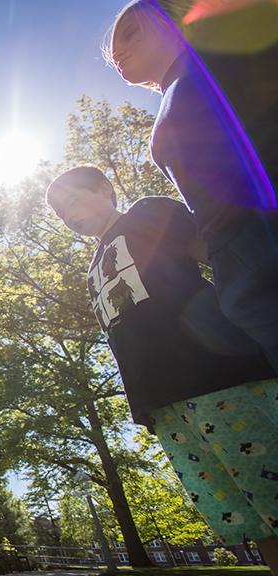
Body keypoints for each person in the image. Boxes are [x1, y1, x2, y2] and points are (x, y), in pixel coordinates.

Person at [47, 166, 278, 576]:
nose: (70, 215)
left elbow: (228, 261)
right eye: (62, 215)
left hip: (221, 375)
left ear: (104, 189)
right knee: (253, 517)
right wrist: (144, 405)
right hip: (165, 404)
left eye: (74, 200)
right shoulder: (93, 269)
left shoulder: (149, 214)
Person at [107, 0, 278, 372]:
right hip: (240, 269)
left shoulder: (223, 63)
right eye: (112, 50)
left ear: (177, 18)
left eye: (131, 32)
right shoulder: (176, 89)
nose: (116, 51)